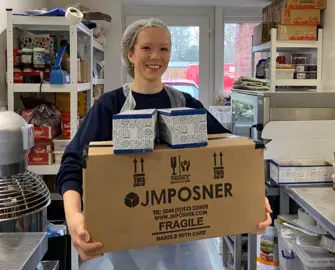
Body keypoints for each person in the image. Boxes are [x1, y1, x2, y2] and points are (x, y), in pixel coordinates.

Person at [56, 18, 273, 268]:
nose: (156, 56)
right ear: (130, 53)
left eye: (164, 48)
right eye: (147, 48)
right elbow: (72, 164)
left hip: (186, 234)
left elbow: (231, 154)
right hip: (129, 240)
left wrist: (254, 202)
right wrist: (74, 220)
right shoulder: (109, 107)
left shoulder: (187, 105)